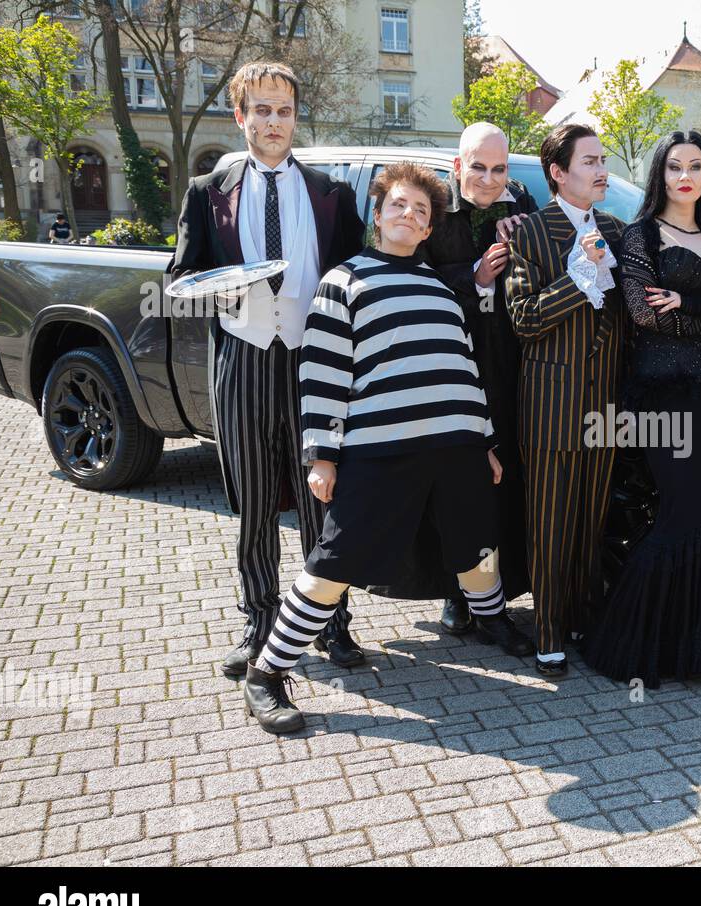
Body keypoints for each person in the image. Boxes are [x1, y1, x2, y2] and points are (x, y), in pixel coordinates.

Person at [241, 162, 530, 734]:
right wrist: (321, 455)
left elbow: (464, 371)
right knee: (337, 558)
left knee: (476, 542)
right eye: (399, 205)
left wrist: (488, 445)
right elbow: (321, 373)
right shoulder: (343, 281)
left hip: (458, 446)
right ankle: (267, 673)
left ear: (429, 230)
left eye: (421, 211)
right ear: (378, 215)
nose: (410, 215)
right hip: (379, 448)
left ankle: (491, 619)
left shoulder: (441, 291)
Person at [169, 62, 365, 676]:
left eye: (283, 110)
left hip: (315, 364)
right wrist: (217, 290)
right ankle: (258, 622)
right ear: (241, 116)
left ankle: (331, 622)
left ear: (295, 117)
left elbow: (356, 276)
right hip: (244, 358)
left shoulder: (330, 193)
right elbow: (178, 281)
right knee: (252, 504)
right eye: (261, 109)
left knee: (322, 504)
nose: (273, 121)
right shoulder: (208, 192)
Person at [583, 130, 701, 687]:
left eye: (696, 166)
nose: (684, 176)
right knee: (680, 512)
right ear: (659, 174)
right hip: (663, 397)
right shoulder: (640, 236)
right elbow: (644, 314)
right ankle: (640, 642)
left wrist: (689, 302)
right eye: (674, 166)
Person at [368, 122, 535, 656]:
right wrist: (476, 277)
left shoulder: (522, 204)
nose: (489, 179)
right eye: (478, 167)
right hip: (447, 364)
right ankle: (455, 593)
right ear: (458, 166)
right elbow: (410, 279)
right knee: (456, 485)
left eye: (499, 168)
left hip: (511, 365)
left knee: (504, 478)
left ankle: (497, 591)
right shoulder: (432, 211)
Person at [504, 124, 627, 677]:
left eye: (603, 160)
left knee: (591, 519)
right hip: (551, 403)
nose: (602, 170)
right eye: (590, 161)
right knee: (550, 522)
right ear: (558, 171)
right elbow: (524, 319)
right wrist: (579, 277)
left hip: (605, 404)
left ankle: (579, 618)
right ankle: (547, 628)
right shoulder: (529, 231)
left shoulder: (619, 233)